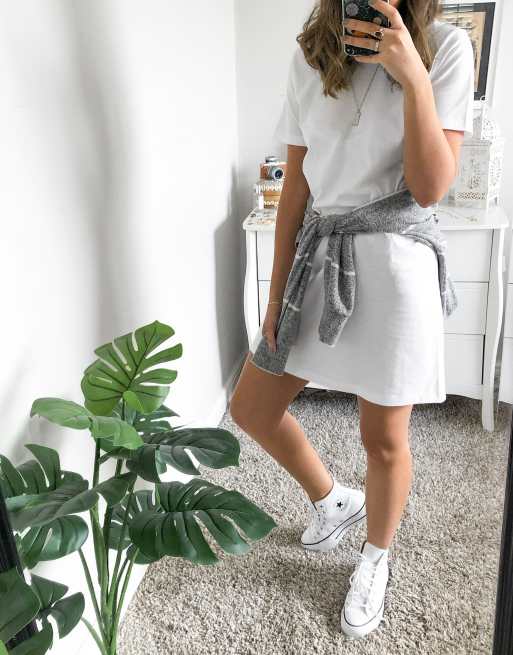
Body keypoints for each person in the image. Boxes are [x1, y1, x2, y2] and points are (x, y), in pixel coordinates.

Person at [229, 0, 474, 640]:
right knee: (252, 406)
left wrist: (412, 75)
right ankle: (334, 501)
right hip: (319, 254)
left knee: (383, 438)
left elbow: (429, 187)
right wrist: (276, 289)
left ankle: (375, 557)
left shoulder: (445, 47)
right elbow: (297, 184)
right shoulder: (311, 54)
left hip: (396, 260)